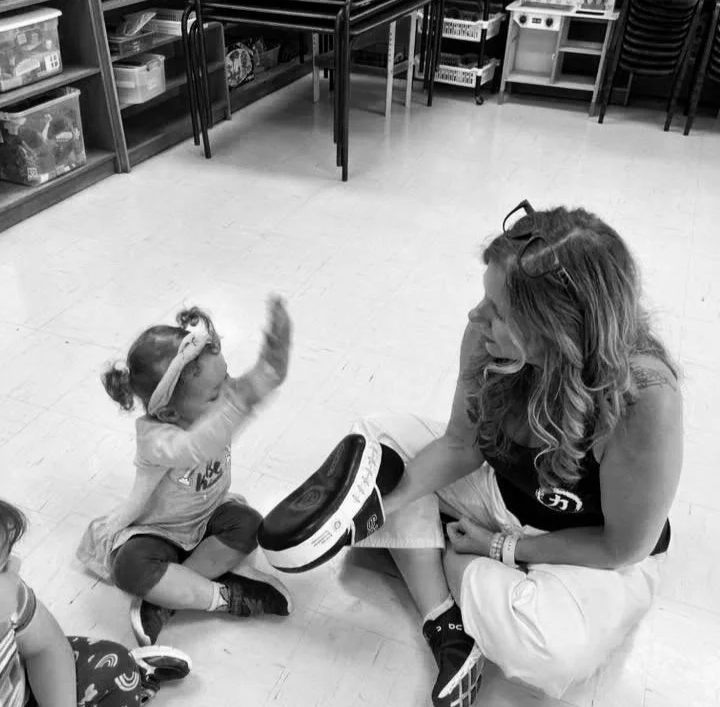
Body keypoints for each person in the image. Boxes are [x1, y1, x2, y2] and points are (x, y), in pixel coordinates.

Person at [353, 203, 683, 707]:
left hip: (585, 545)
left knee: (548, 651)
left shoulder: (643, 398)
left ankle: (439, 550)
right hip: (500, 491)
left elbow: (621, 548)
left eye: (499, 311)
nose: (475, 316)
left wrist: (498, 548)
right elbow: (460, 446)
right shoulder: (487, 342)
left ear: (556, 329)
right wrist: (372, 509)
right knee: (372, 446)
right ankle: (444, 621)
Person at [77, 298, 293, 648]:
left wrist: (275, 358)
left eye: (226, 378)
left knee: (250, 524)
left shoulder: (217, 394)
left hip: (209, 516)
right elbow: (196, 447)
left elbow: (259, 383)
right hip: (159, 530)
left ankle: (166, 598)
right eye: (215, 394)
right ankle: (223, 596)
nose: (228, 392)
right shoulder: (156, 438)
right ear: (170, 415)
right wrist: (239, 403)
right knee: (130, 567)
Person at [1, 499, 191, 707]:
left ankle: (134, 678)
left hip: (25, 686)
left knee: (115, 664)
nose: (16, 565)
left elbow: (47, 646)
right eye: (2, 568)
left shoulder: (13, 602)